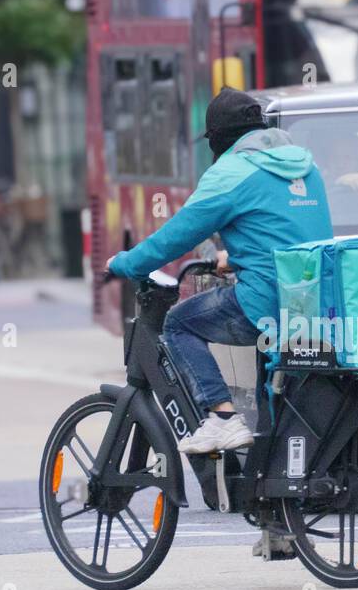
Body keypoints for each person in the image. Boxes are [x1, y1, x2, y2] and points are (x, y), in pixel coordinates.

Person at [107, 87, 334, 454]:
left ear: (218, 139)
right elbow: (286, 231)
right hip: (314, 303)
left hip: (265, 302)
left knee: (180, 324)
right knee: (271, 384)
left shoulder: (231, 172)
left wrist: (124, 263)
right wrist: (237, 256)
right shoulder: (307, 165)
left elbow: (175, 238)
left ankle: (223, 420)